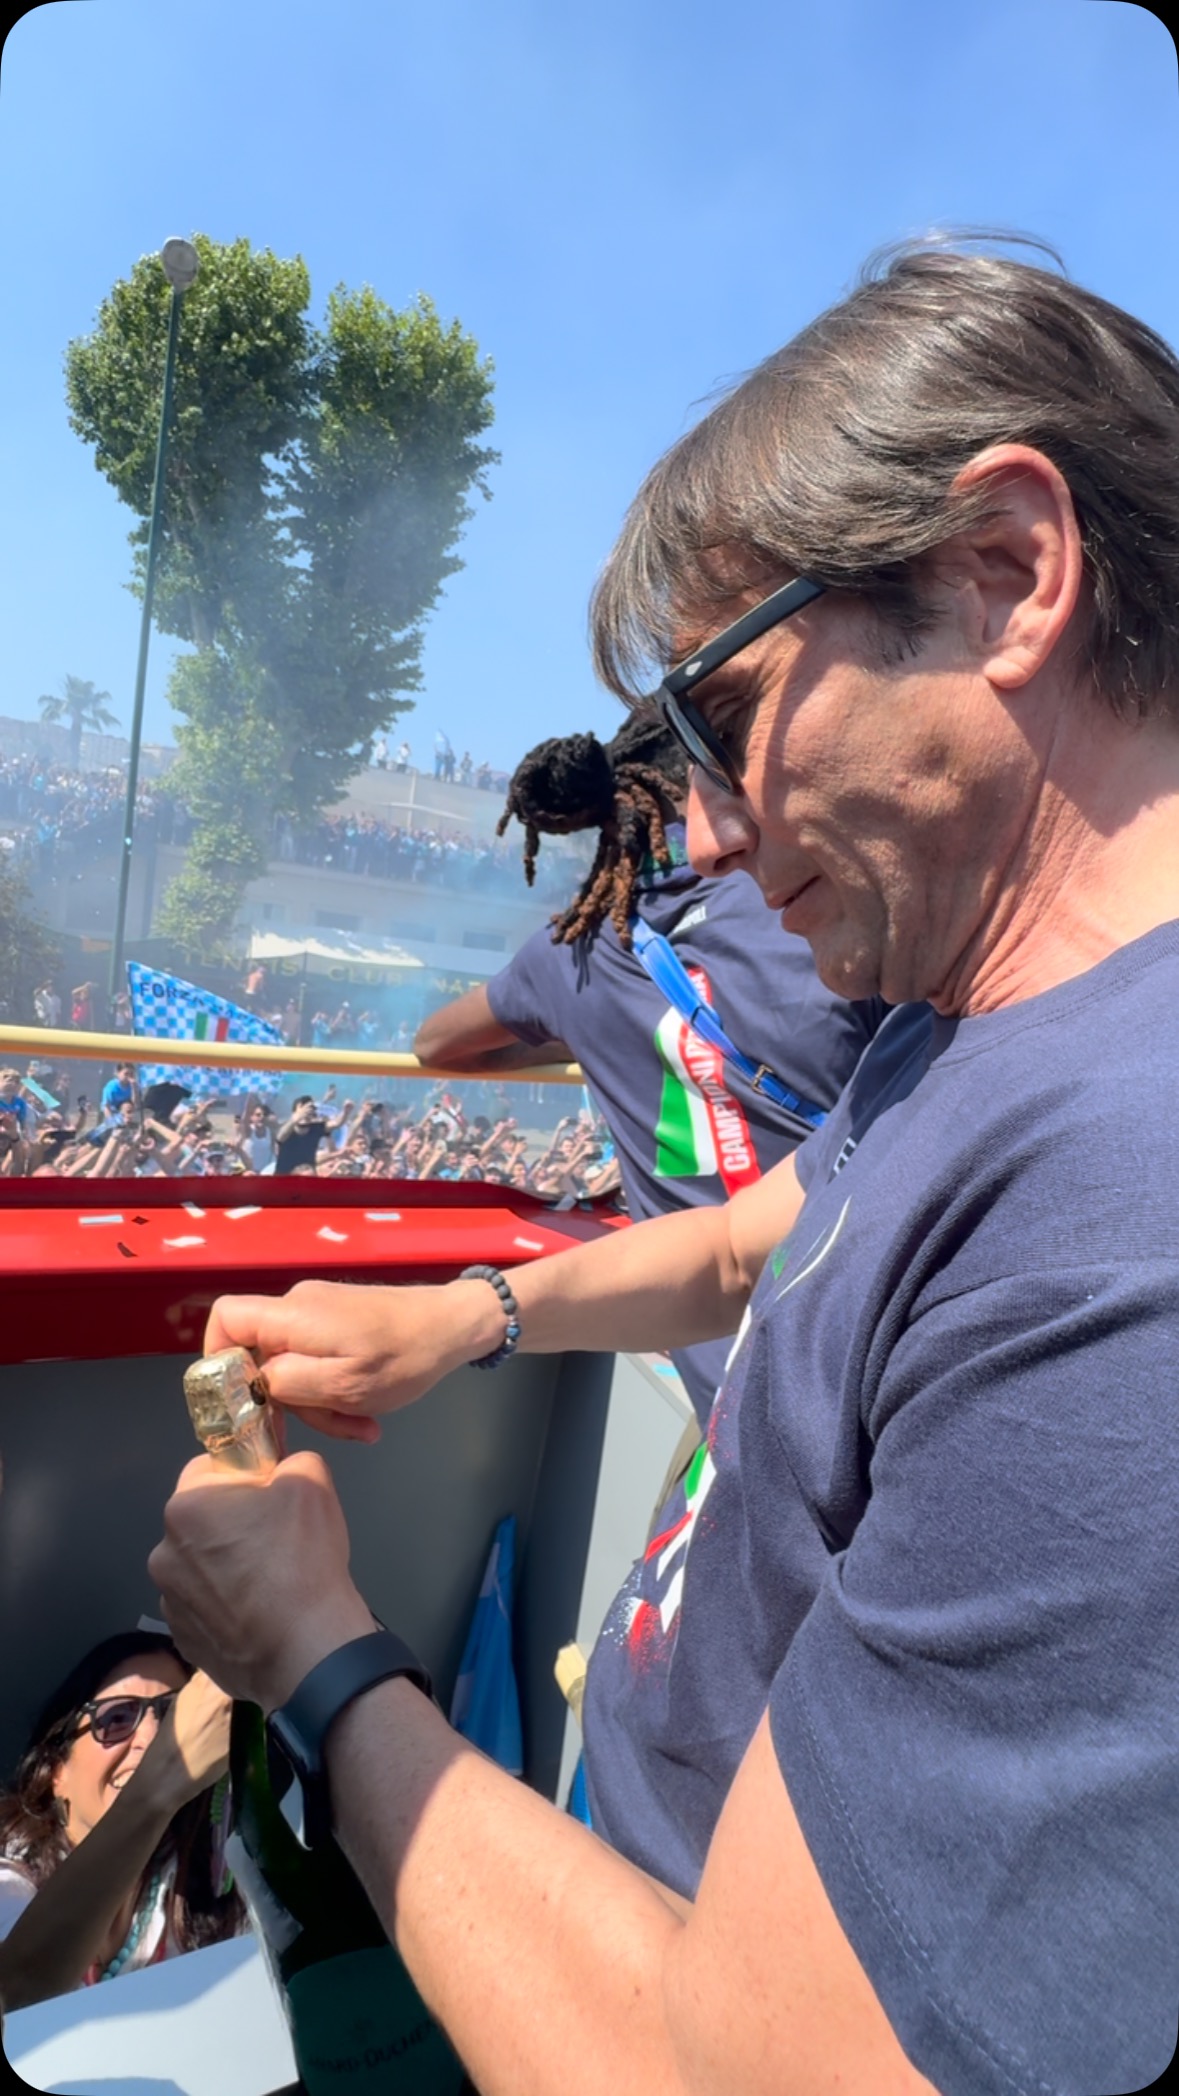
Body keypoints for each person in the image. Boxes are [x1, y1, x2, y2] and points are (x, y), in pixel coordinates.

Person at [150, 241, 1179, 2096]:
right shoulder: (964, 1022)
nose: (697, 832)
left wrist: (313, 1656)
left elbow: (729, 2074)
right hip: (589, 1891)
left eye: (719, 714)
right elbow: (748, 1245)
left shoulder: (1127, 1219)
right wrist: (459, 1318)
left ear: (1003, 572)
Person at [416, 710, 887, 1422]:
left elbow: (436, 1043)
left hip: (727, 1381)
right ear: (705, 785)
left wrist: (582, 1035)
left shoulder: (565, 956)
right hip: (869, 1329)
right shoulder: (805, 907)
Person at [0, 1631, 243, 2011]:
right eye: (117, 1717)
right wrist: (155, 1790)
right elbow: (15, 1996)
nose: (152, 1739)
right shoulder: (9, 1886)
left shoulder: (208, 1885)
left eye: (172, 1718)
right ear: (56, 1772)